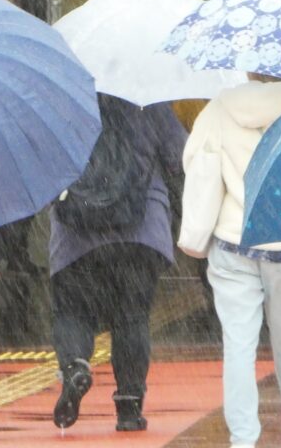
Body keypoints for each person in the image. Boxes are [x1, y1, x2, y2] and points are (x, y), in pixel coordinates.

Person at [179, 74, 281, 448]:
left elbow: (197, 167)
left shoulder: (218, 109)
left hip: (232, 243)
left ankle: (243, 439)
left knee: (239, 348)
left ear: (248, 69)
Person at [48, 93, 187, 431]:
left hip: (77, 229)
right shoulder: (146, 98)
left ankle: (76, 366)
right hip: (139, 227)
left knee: (72, 310)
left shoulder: (63, 98)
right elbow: (180, 156)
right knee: (132, 316)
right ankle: (129, 407)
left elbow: (43, 161)